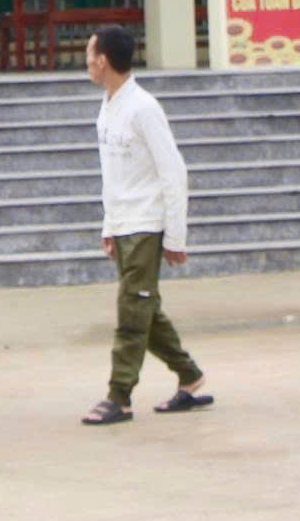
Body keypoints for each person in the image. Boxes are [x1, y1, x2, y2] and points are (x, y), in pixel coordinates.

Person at [82, 24, 210, 426]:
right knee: (144, 308)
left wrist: (175, 236)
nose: (87, 62)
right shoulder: (108, 106)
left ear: (103, 61)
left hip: (146, 225)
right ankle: (190, 376)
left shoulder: (143, 108)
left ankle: (119, 396)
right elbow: (113, 176)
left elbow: (174, 172)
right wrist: (109, 226)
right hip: (123, 224)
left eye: (90, 55)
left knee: (131, 311)